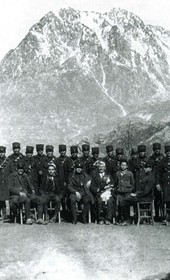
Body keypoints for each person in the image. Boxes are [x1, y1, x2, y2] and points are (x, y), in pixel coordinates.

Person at [121, 160, 155, 225]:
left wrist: (136, 194)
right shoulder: (147, 176)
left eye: (146, 167)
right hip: (142, 196)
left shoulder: (150, 178)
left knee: (124, 201)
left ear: (150, 168)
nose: (144, 169)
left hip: (146, 198)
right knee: (126, 199)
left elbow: (146, 191)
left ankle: (128, 219)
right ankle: (131, 218)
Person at [115, 159, 134, 225]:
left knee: (126, 205)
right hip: (120, 192)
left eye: (124, 165)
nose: (123, 166)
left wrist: (130, 190)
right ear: (120, 166)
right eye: (122, 165)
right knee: (119, 205)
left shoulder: (130, 174)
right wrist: (117, 189)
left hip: (127, 192)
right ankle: (120, 219)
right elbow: (116, 182)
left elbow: (132, 183)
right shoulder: (117, 173)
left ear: (127, 166)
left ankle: (127, 220)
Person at [149, 142, 164, 222]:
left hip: (161, 181)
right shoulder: (151, 158)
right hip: (153, 181)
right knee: (154, 200)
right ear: (153, 150)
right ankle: (156, 215)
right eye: (155, 149)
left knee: (161, 199)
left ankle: (163, 216)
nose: (157, 150)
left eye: (158, 149)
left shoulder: (163, 158)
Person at [156, 145, 170, 225]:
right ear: (165, 153)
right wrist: (157, 184)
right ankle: (165, 218)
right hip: (165, 185)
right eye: (167, 152)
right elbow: (158, 173)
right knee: (165, 201)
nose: (169, 153)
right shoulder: (162, 161)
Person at [56, 144, 68, 218]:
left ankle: (68, 212)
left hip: (68, 182)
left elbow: (71, 172)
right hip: (60, 182)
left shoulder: (68, 160)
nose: (62, 152)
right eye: (61, 151)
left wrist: (68, 181)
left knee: (68, 197)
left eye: (64, 151)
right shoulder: (57, 160)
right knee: (61, 197)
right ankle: (63, 212)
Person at [0, 146, 10, 221]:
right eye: (0, 152)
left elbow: (12, 172)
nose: (1, 154)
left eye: (2, 152)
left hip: (6, 183)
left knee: (5, 199)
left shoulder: (8, 161)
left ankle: (5, 214)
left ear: (5, 152)